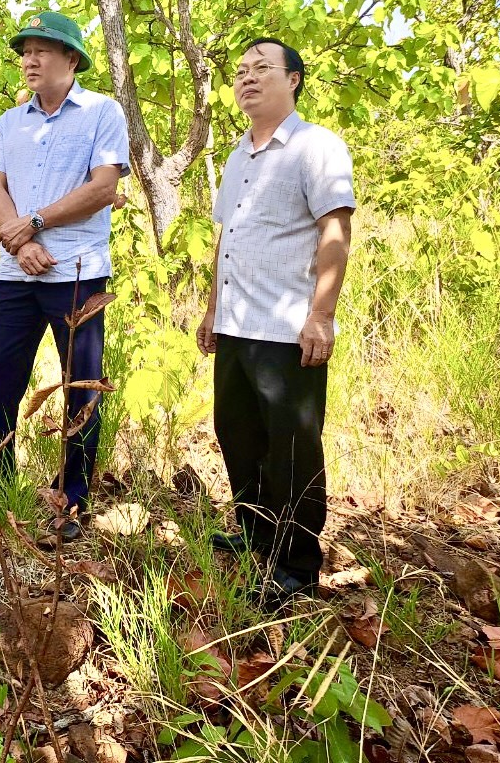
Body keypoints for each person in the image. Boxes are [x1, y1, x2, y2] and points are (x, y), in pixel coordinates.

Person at [0, 11, 129, 540]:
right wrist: (20, 239)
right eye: (25, 50)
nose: (30, 59)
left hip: (75, 272)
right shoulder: (10, 121)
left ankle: (72, 502)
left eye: (43, 49)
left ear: (72, 59)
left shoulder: (101, 112)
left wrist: (37, 223)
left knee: (80, 388)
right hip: (14, 272)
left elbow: (101, 189)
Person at [197, 37, 355, 607]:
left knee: (292, 448)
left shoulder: (317, 148)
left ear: (293, 79)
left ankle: (297, 563)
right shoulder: (238, 156)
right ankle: (255, 534)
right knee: (236, 433)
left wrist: (321, 314)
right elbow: (227, 239)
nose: (248, 77)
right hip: (238, 323)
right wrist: (212, 307)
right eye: (241, 70)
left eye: (262, 68)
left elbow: (334, 233)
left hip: (288, 327)